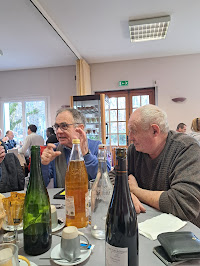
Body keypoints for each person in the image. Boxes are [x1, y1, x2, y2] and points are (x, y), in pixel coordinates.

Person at [126, 104, 200, 228]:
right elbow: (111, 178)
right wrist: (128, 194)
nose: (130, 138)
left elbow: (183, 204)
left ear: (155, 131)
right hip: (146, 226)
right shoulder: (134, 150)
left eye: (133, 131)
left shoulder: (186, 149)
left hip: (185, 233)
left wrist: (134, 190)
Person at [41, 107, 111, 187]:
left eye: (64, 126)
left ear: (80, 128)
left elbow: (106, 180)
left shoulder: (96, 146)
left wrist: (86, 155)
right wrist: (44, 164)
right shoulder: (54, 150)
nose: (59, 131)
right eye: (57, 126)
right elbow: (40, 185)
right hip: (64, 199)